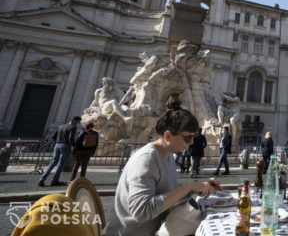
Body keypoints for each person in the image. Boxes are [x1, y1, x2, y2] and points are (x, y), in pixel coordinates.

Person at [104, 98, 221, 235]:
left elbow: (167, 193)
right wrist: (189, 186)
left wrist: (197, 186)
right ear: (168, 136)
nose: (191, 143)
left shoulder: (167, 155)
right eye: (188, 138)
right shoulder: (146, 160)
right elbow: (142, 211)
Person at [38, 116, 81, 187]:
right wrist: (74, 146)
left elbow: (53, 136)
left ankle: (42, 179)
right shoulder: (73, 127)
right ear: (74, 120)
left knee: (53, 162)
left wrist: (55, 143)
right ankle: (55, 180)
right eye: (78, 121)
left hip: (57, 145)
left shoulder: (60, 126)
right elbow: (71, 138)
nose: (77, 123)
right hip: (65, 145)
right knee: (61, 164)